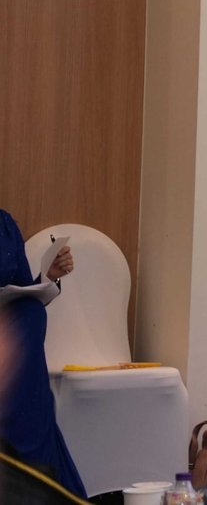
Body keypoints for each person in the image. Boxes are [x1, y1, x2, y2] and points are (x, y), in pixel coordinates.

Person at [0, 211, 84, 498]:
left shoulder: (4, 223)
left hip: (10, 341)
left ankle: (35, 469)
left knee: (30, 312)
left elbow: (24, 290)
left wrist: (50, 276)